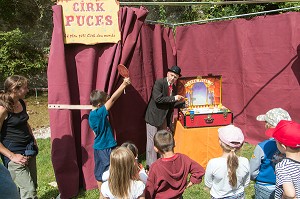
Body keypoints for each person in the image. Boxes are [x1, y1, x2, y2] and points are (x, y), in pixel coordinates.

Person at [88, 77, 131, 197]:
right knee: (109, 171)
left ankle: (103, 194)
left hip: (101, 147)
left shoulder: (92, 115)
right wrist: (123, 85)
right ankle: (106, 194)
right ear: (100, 105)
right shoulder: (99, 113)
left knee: (101, 171)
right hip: (105, 147)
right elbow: (113, 99)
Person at [0, 75, 38, 199]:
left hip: (28, 148)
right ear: (15, 89)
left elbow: (24, 122)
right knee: (29, 191)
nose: (27, 90)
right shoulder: (3, 109)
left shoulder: (21, 102)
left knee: (32, 186)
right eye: (25, 88)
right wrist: (12, 156)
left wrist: (33, 138)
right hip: (13, 154)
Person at [145, 130, 205, 199]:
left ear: (155, 148)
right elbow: (199, 171)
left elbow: (149, 190)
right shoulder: (184, 159)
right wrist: (188, 184)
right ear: (175, 143)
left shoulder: (156, 167)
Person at [144, 65, 185, 166]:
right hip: (153, 117)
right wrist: (174, 98)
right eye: (171, 75)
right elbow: (158, 99)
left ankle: (162, 163)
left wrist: (183, 103)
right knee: (152, 142)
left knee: (161, 141)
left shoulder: (174, 87)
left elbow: (170, 103)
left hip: (163, 118)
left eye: (175, 77)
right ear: (167, 74)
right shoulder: (159, 82)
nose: (172, 78)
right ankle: (151, 166)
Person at [250, 108, 291, 199]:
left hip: (264, 186)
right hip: (287, 186)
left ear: (269, 126)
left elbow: (252, 170)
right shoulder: (293, 146)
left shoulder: (262, 146)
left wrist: (255, 177)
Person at [205, 124, 250, 199]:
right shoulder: (245, 161)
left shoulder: (213, 163)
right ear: (241, 145)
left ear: (220, 142)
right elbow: (246, 183)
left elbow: (208, 184)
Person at [265, 120, 300, 199]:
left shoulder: (283, 166)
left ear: (283, 146)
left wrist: (283, 196)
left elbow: (290, 194)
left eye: (276, 142)